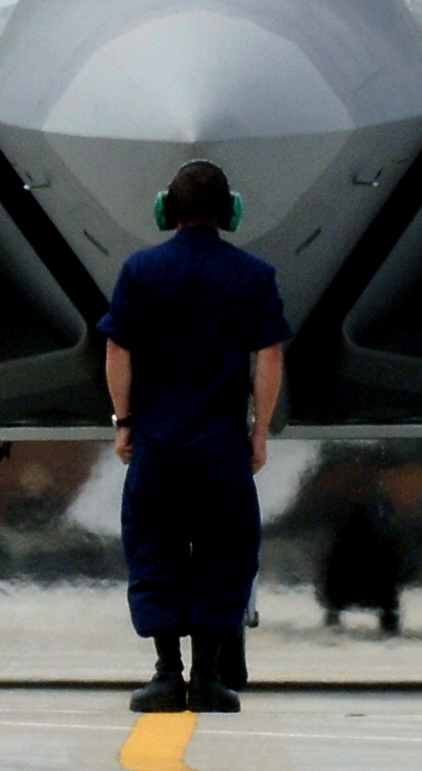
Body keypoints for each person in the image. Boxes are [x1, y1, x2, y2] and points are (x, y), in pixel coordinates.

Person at [103, 159, 290, 715]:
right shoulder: (254, 275)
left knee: (154, 551)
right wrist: (259, 432)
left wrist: (124, 422)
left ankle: (165, 675)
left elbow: (117, 351)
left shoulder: (140, 270)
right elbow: (269, 357)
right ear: (230, 212)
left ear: (167, 210)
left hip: (158, 445)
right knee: (225, 555)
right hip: (220, 446)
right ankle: (208, 679)